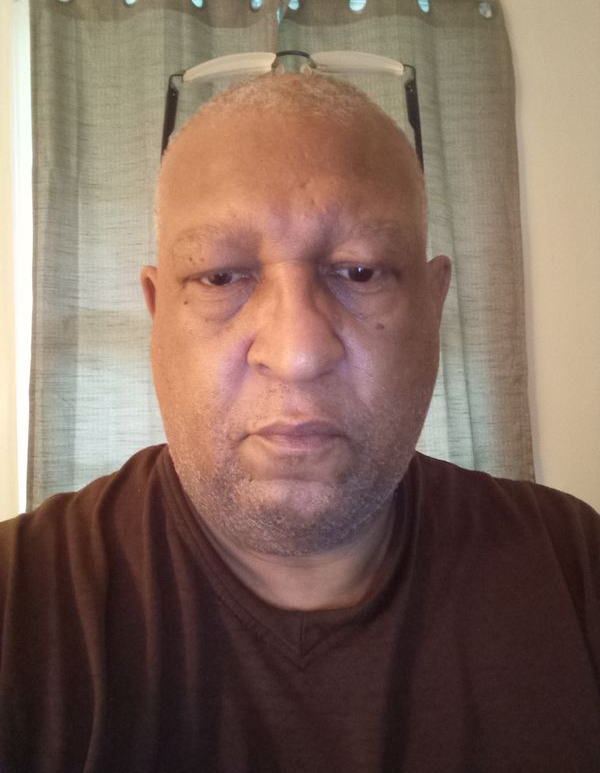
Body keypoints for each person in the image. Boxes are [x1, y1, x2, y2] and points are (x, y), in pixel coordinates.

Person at [0, 72, 599, 772]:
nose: (298, 353)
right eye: (221, 276)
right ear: (158, 314)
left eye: (361, 272)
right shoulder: (19, 604)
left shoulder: (574, 570)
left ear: (433, 308)